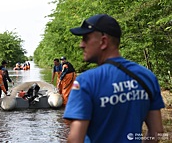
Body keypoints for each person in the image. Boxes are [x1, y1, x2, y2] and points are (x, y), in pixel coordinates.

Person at [63, 14, 165, 142]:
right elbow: (157, 132)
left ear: (104, 41)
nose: (81, 45)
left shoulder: (86, 81)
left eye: (86, 38)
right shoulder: (147, 76)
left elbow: (75, 139)